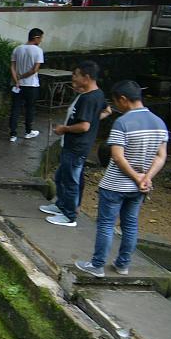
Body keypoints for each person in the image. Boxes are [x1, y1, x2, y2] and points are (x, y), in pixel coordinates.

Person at [75, 80, 168, 277]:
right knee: (131, 225)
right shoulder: (159, 122)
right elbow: (161, 156)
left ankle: (97, 265)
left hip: (115, 184)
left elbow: (117, 156)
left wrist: (135, 177)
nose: (116, 106)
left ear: (124, 99)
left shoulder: (123, 122)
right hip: (140, 187)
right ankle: (123, 265)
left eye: (116, 101)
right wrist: (146, 178)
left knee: (106, 225)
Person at [40, 61, 111, 227]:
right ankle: (61, 206)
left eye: (76, 75)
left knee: (70, 180)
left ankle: (69, 215)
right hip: (74, 145)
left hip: (77, 146)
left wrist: (64, 129)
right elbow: (107, 111)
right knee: (62, 176)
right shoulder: (95, 94)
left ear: (86, 77)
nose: (73, 77)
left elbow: (84, 126)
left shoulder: (89, 98)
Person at [9, 28, 44, 142]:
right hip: (32, 85)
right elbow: (35, 70)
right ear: (36, 38)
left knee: (15, 108)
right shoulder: (38, 51)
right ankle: (28, 131)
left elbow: (13, 67)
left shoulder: (17, 49)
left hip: (18, 85)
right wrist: (22, 77)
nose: (41, 41)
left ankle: (12, 134)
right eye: (41, 38)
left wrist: (17, 79)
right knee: (30, 108)